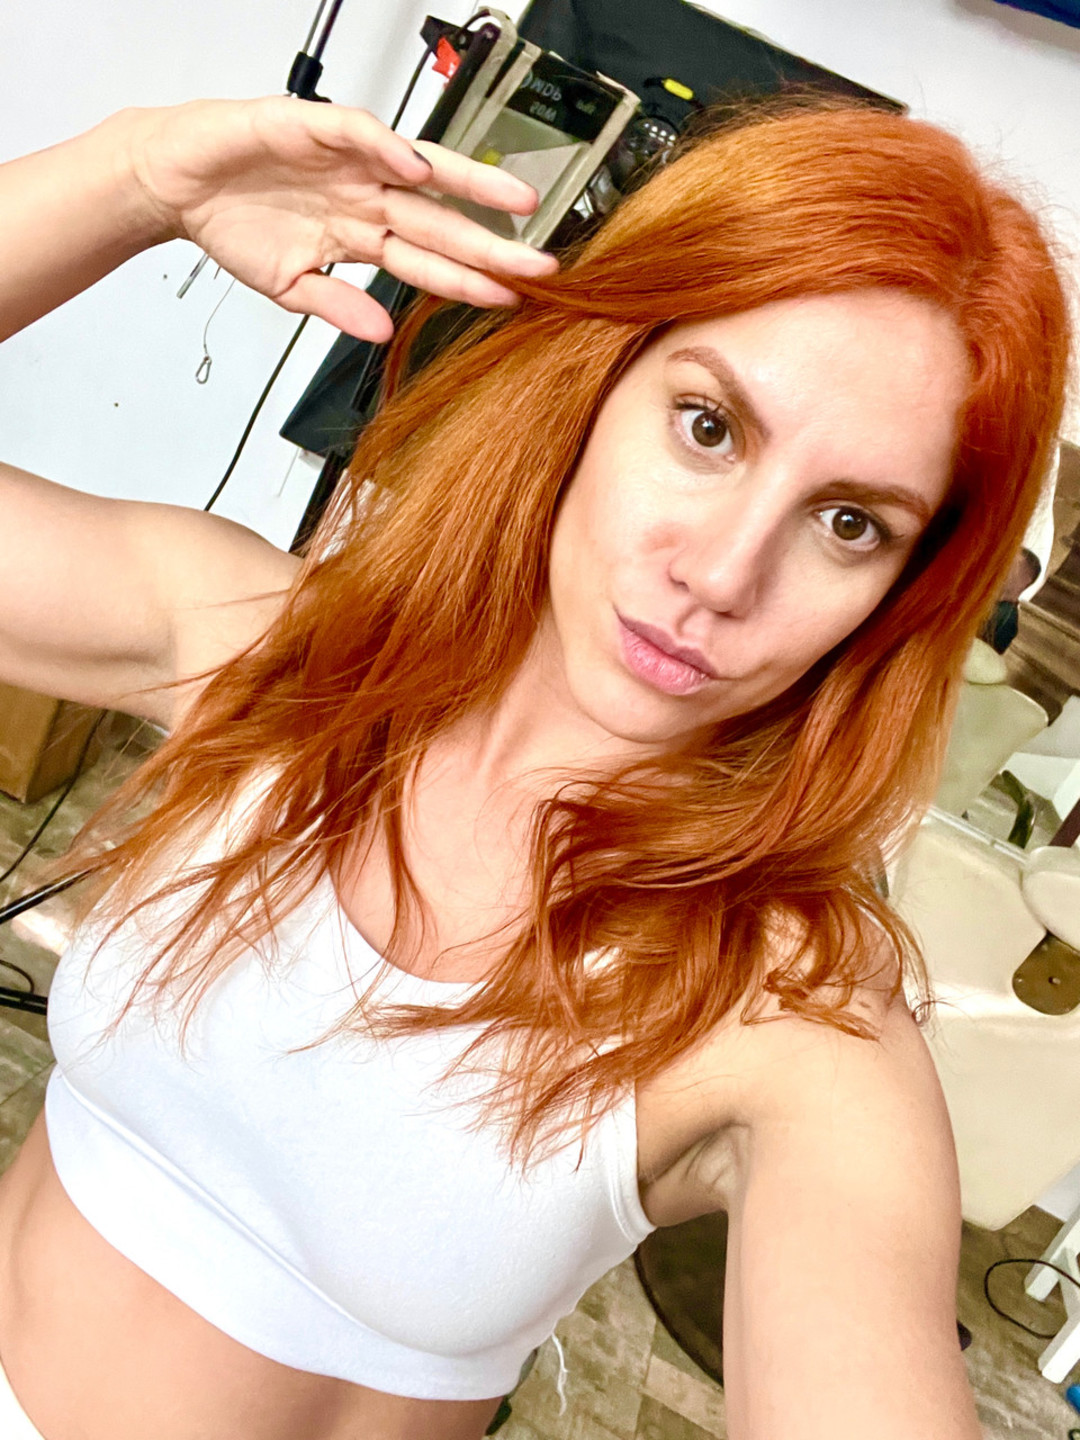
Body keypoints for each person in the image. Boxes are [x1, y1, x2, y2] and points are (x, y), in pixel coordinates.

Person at [0, 88, 1069, 1440]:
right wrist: (134, 177)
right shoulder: (262, 654)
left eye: (849, 521)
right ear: (597, 383)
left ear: (903, 595)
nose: (721, 575)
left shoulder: (790, 1020)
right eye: (710, 427)